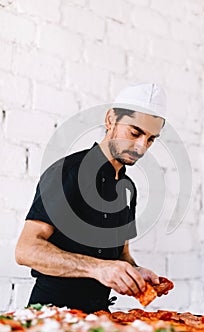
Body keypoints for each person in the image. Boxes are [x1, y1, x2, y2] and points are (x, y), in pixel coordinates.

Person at [15, 83, 167, 313]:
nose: (141, 147)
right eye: (135, 133)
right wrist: (98, 269)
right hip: (51, 315)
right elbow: (25, 250)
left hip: (100, 316)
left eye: (151, 139)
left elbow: (122, 254)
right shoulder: (67, 171)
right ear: (111, 119)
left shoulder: (128, 189)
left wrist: (135, 272)